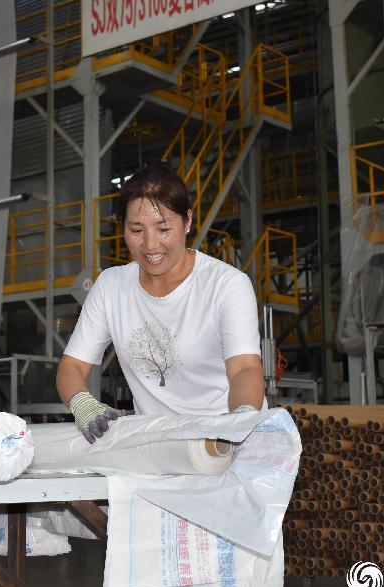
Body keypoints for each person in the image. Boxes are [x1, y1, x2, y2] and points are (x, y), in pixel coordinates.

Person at [56, 162, 266, 443]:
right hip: (156, 446)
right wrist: (84, 405)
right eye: (137, 230)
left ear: (187, 221)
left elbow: (244, 369)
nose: (151, 245)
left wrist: (240, 421)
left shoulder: (226, 285)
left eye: (164, 228)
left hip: (222, 443)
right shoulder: (111, 286)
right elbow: (72, 367)